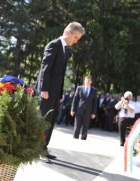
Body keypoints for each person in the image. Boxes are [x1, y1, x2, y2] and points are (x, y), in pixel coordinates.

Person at [35, 22, 85, 160]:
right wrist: (44, 89)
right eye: (75, 37)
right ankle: (35, 149)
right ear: (68, 33)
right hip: (47, 92)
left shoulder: (64, 49)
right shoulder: (54, 45)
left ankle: (43, 148)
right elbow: (45, 68)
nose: (76, 41)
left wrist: (60, 94)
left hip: (56, 93)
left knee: (50, 122)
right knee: (42, 121)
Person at [70, 76, 97, 140]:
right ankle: (75, 138)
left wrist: (94, 113)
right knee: (77, 125)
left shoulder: (94, 90)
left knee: (86, 126)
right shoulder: (79, 88)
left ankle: (83, 138)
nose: (87, 82)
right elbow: (75, 100)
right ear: (84, 81)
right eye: (86, 80)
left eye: (88, 80)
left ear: (91, 82)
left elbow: (95, 102)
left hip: (88, 111)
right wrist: (72, 110)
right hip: (79, 110)